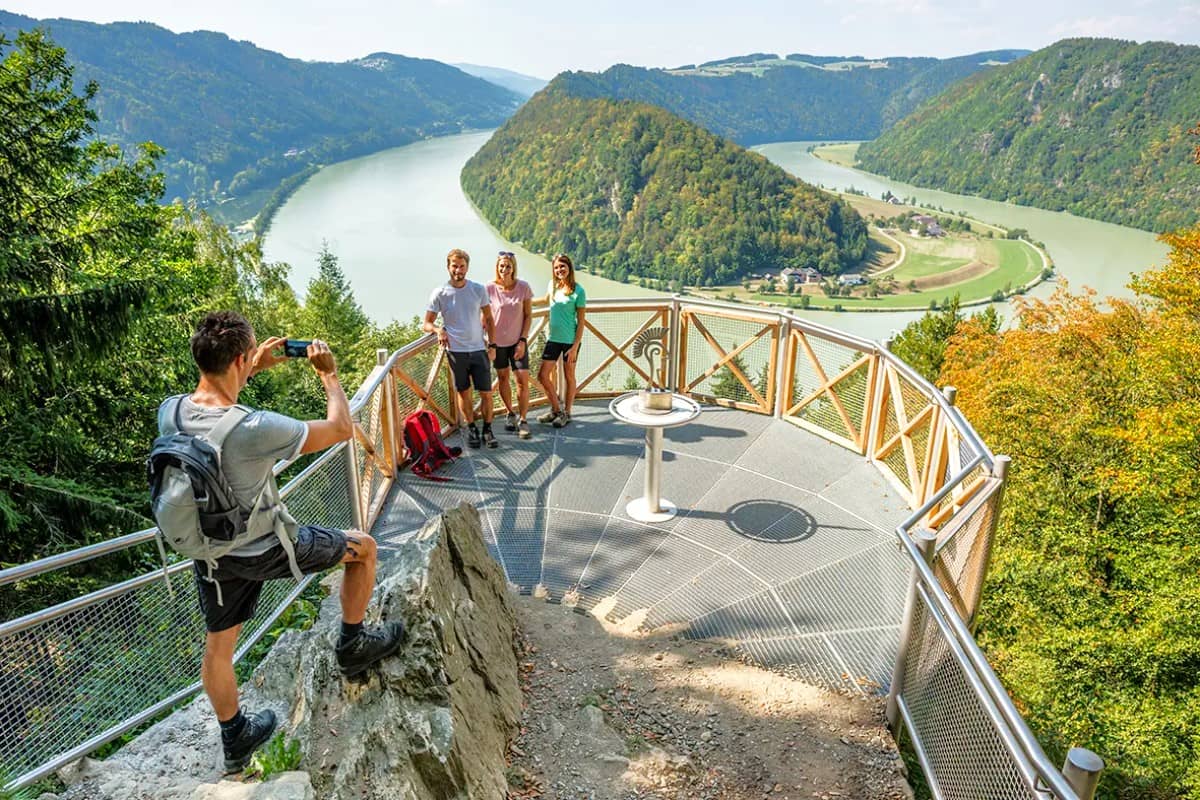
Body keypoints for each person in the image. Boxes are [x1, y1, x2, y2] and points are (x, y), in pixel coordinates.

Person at [162, 311, 404, 773]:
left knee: (218, 647)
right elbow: (338, 430)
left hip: (211, 551)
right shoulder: (255, 428)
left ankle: (235, 740)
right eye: (247, 358)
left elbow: (214, 408)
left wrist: (248, 367)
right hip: (265, 547)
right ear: (239, 359)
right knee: (364, 548)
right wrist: (329, 375)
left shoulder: (170, 411)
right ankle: (352, 645)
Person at [424, 248, 499, 449]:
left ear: (467, 267)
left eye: (462, 266)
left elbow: (489, 319)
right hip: (456, 353)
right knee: (464, 393)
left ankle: (488, 429)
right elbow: (426, 323)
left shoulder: (477, 289)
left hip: (478, 350)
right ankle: (472, 428)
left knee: (486, 393)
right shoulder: (440, 293)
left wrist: (492, 345)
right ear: (448, 267)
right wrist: (438, 330)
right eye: (454, 266)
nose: (458, 270)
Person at [486, 251, 533, 439]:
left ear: (513, 267)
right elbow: (485, 316)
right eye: (501, 266)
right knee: (503, 379)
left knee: (522, 380)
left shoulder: (523, 287)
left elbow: (528, 315)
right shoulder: (489, 288)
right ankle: (510, 413)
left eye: (508, 266)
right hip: (497, 345)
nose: (504, 269)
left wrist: (523, 340)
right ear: (497, 268)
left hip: (517, 343)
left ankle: (523, 420)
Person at [536, 253, 587, 428]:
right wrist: (522, 303)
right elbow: (544, 300)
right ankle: (556, 409)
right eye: (556, 267)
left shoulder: (579, 291)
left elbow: (581, 322)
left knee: (569, 376)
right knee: (542, 375)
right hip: (553, 339)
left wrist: (574, 346)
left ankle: (567, 413)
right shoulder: (552, 286)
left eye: (562, 266)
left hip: (570, 341)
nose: (559, 270)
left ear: (569, 268)